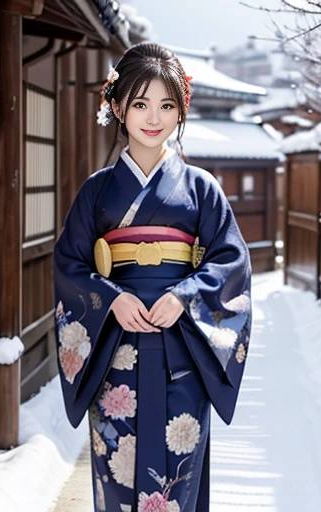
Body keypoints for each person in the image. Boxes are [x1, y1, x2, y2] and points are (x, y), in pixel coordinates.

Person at [54, 43, 252, 512]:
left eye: (166, 105)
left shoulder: (201, 188)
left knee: (178, 480)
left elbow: (230, 261)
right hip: (114, 355)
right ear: (117, 106)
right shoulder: (97, 191)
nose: (153, 117)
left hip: (181, 352)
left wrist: (185, 295)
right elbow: (69, 265)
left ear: (180, 109)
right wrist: (111, 297)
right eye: (140, 103)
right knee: (116, 476)